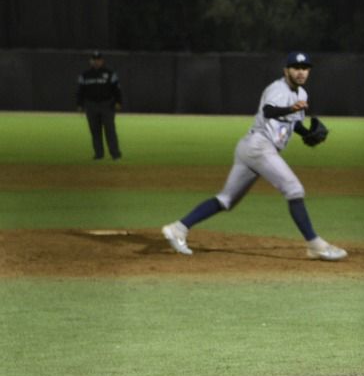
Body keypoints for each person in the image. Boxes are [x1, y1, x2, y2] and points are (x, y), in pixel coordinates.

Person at [160, 51, 347, 261]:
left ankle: (178, 228)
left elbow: (292, 122)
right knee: (294, 189)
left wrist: (307, 133)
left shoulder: (301, 94)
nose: (301, 72)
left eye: (305, 68)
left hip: (251, 149)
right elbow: (268, 111)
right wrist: (290, 108)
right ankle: (315, 245)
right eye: (296, 68)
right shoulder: (278, 89)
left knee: (226, 200)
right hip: (259, 146)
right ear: (286, 70)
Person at [76, 50, 124, 160]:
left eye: (98, 60)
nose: (96, 62)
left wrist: (118, 102)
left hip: (106, 105)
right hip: (91, 105)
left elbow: (117, 89)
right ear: (91, 61)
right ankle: (99, 154)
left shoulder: (110, 74)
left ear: (102, 61)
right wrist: (79, 104)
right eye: (94, 60)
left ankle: (115, 154)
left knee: (110, 130)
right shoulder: (85, 75)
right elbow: (80, 91)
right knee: (95, 130)